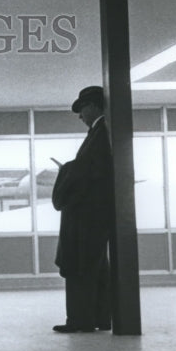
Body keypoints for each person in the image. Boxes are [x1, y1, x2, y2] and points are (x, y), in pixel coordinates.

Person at [51, 85, 113, 333]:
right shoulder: (100, 133)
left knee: (81, 266)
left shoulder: (100, 133)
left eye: (83, 108)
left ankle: (81, 319)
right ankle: (99, 317)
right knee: (95, 267)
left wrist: (67, 171)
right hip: (95, 216)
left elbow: (90, 171)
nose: (80, 115)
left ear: (95, 106)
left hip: (87, 216)